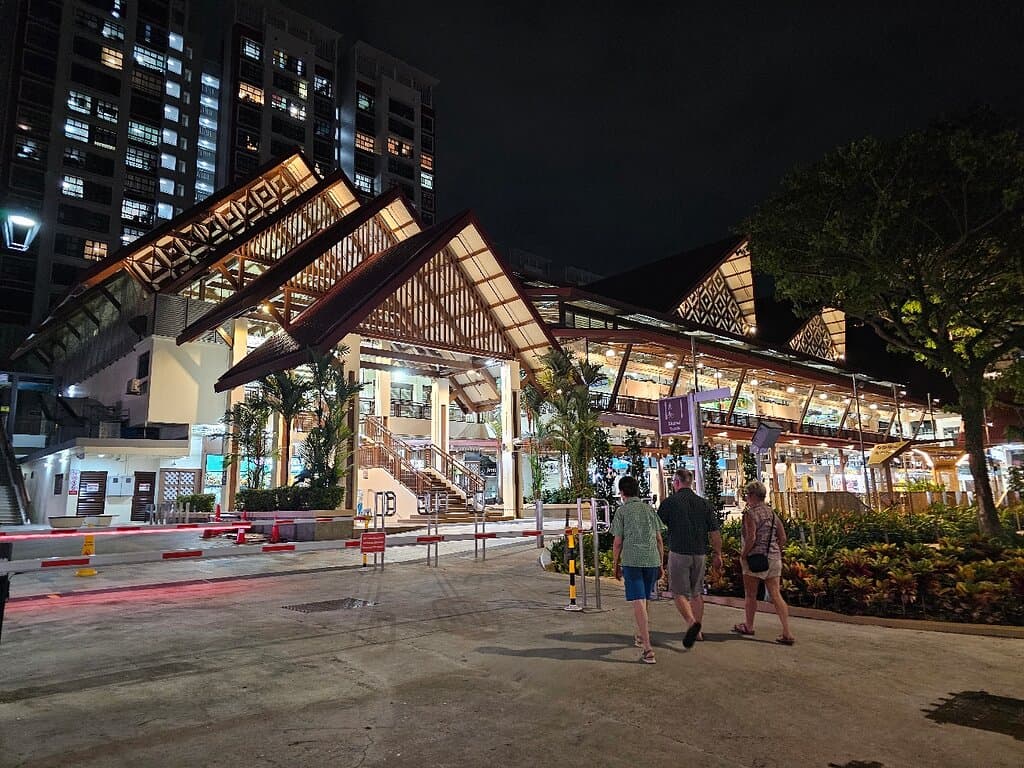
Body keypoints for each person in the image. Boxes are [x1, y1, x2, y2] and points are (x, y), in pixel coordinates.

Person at [657, 469, 723, 649]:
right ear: (691, 482)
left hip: (679, 552)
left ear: (677, 482)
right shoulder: (704, 504)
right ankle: (698, 632)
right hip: (700, 553)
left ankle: (692, 622)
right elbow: (715, 532)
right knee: (696, 592)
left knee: (678, 592)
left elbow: (656, 527)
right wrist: (718, 554)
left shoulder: (670, 503)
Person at [732, 480, 796, 645]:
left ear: (753, 495)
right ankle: (787, 631)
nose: (746, 497)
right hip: (773, 558)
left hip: (755, 559)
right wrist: (775, 551)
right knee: (776, 594)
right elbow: (783, 537)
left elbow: (751, 538)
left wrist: (743, 555)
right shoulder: (772, 513)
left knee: (751, 594)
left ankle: (749, 625)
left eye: (747, 495)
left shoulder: (750, 514)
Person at [611, 475, 665, 664]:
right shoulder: (649, 509)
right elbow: (659, 539)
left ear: (622, 492)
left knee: (638, 601)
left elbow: (618, 542)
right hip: (651, 560)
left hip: (632, 561)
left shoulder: (622, 511)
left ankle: (648, 649)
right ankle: (641, 636)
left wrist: (615, 564)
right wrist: (661, 563)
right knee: (644, 599)